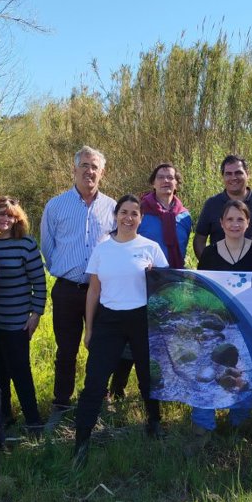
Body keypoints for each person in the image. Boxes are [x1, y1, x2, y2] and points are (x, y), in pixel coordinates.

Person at [73, 194, 169, 466]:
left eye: (134, 213)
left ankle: (154, 421)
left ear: (141, 218)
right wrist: (89, 328)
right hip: (109, 320)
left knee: (147, 375)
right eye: (124, 212)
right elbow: (93, 291)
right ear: (116, 215)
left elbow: (166, 288)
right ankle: (82, 439)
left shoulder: (151, 248)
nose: (128, 217)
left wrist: (155, 275)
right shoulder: (102, 249)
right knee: (95, 379)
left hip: (142, 319)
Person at [190, 200, 252, 447]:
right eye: (229, 219)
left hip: (251, 327)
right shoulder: (209, 253)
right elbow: (201, 291)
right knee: (205, 373)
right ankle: (202, 429)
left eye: (240, 219)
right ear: (221, 223)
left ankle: (237, 425)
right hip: (216, 328)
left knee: (244, 374)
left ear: (248, 222)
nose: (235, 224)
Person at [41, 146, 116, 418]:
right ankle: (62, 402)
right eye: (84, 165)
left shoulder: (113, 207)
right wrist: (67, 271)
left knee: (102, 346)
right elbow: (47, 248)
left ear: (102, 172)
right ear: (74, 169)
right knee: (66, 349)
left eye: (95, 166)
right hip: (67, 290)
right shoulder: (56, 205)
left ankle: (98, 397)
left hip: (103, 290)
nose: (89, 171)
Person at [109, 162, 192, 400]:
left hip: (171, 283)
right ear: (153, 182)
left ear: (177, 184)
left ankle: (161, 388)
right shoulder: (140, 211)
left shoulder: (185, 216)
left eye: (171, 178)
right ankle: (118, 387)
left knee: (164, 337)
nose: (166, 181)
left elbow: (183, 248)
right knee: (131, 338)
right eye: (161, 177)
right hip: (139, 283)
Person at [0, 196, 47, 434]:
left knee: (21, 371)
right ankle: (5, 415)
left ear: (17, 218)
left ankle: (33, 420)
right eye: (0, 214)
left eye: (10, 215)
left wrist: (36, 314)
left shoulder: (26, 244)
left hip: (17, 321)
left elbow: (39, 282)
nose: (5, 219)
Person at [192, 155, 252, 259]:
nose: (233, 178)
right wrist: (208, 265)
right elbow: (199, 240)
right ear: (222, 176)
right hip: (221, 272)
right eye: (228, 174)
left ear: (248, 174)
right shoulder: (212, 204)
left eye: (238, 173)